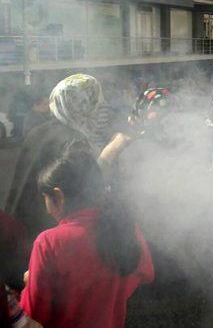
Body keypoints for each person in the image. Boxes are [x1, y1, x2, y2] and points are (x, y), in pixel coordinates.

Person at [20, 149, 154, 328]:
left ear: (58, 196)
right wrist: (112, 291)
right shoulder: (125, 227)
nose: (46, 208)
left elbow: (35, 312)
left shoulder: (48, 242)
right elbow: (146, 273)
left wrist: (30, 284)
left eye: (45, 198)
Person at [6, 74, 113, 239]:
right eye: (94, 102)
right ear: (83, 106)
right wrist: (111, 152)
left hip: (19, 221)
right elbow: (88, 189)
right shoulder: (75, 141)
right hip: (49, 231)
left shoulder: (39, 131)